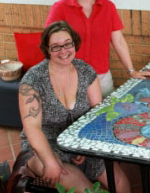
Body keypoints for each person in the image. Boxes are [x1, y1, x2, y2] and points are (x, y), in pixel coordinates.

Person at [18, 21, 131, 193]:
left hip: (79, 140)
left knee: (120, 182)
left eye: (67, 44)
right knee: (85, 189)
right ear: (47, 50)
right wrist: (49, 162)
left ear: (74, 44)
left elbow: (97, 114)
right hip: (45, 145)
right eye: (55, 47)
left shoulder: (86, 72)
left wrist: (86, 146)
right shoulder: (33, 80)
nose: (63, 51)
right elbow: (32, 127)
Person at [45, 0, 150, 98]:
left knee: (103, 117)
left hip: (102, 78)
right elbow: (48, 44)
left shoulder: (108, 7)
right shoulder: (60, 8)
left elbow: (118, 41)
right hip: (69, 77)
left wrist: (131, 71)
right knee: (76, 119)